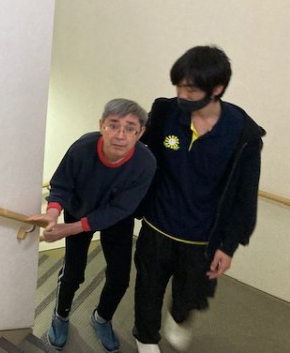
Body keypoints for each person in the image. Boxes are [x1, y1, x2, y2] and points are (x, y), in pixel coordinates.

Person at [133, 45, 265, 353]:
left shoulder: (243, 135)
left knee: (190, 294)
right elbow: (137, 149)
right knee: (147, 287)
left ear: (216, 89)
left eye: (190, 90)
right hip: (158, 225)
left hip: (203, 238)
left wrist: (229, 246)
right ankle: (145, 337)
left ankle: (178, 317)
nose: (182, 95)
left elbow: (245, 196)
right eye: (178, 86)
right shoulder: (166, 113)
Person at [28, 98, 156, 352]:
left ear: (140, 132)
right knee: (73, 272)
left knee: (120, 278)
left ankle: (102, 318)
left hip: (117, 219)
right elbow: (61, 184)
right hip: (79, 208)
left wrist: (70, 229)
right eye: (113, 125)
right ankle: (61, 315)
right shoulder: (82, 149)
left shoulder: (145, 163)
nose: (120, 135)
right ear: (101, 125)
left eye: (130, 128)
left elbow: (121, 208)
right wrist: (53, 213)